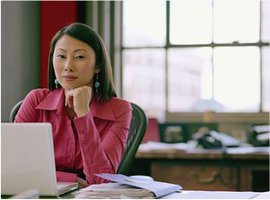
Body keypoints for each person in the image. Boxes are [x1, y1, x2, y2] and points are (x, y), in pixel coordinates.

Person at [15, 22, 132, 187]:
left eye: (79, 57)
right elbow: (14, 166)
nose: (68, 66)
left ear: (98, 65)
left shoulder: (120, 110)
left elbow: (102, 180)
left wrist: (83, 113)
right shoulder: (35, 100)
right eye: (61, 56)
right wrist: (70, 180)